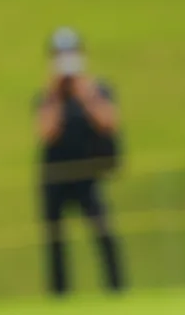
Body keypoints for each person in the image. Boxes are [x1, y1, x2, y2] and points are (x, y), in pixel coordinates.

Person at [34, 27, 126, 296]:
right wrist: (55, 93)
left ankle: (117, 289)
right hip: (55, 178)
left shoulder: (97, 90)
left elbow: (109, 122)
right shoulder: (48, 97)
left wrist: (85, 94)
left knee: (103, 231)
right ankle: (60, 294)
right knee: (55, 240)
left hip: (88, 176)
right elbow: (46, 132)